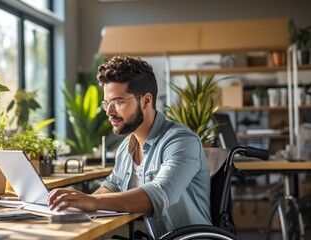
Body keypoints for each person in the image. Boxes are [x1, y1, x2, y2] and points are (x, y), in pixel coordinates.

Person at [48, 55, 212, 238]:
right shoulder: (127, 146)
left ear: (146, 101)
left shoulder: (181, 141)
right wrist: (77, 204)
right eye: (107, 103)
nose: (109, 112)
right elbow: (111, 186)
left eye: (118, 102)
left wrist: (92, 201)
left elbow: (158, 195)